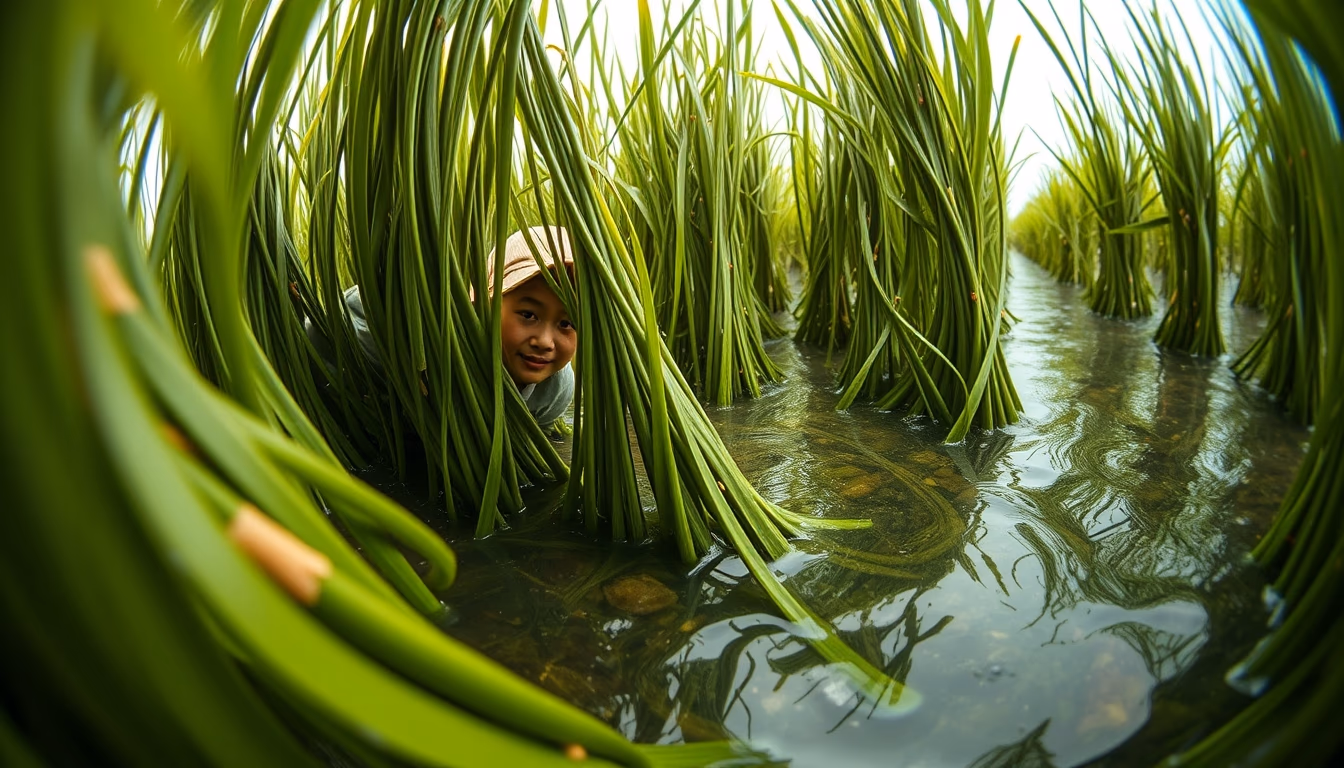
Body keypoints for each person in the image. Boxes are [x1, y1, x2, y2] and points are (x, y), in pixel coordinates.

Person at [307, 226, 577, 425]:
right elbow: (317, 339)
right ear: (482, 306)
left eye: (566, 323)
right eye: (529, 315)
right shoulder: (399, 333)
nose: (544, 341)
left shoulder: (554, 391)